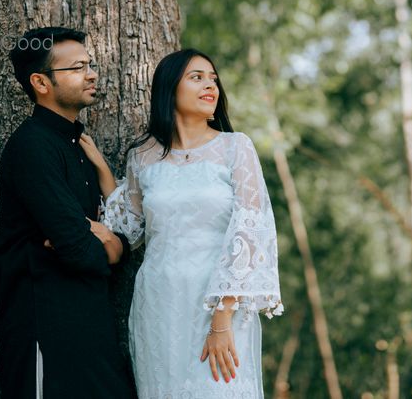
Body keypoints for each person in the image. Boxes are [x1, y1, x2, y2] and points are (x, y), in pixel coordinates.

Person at [92, 48, 283, 398]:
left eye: (213, 79)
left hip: (219, 303)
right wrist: (103, 170)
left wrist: (222, 320)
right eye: (197, 77)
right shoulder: (142, 155)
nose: (210, 85)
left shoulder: (235, 147)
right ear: (169, 88)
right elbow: (129, 227)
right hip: (160, 302)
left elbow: (250, 230)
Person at [0, 27, 135, 399]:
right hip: (46, 330)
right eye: (77, 68)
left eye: (91, 64)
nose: (92, 74)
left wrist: (109, 242)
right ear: (41, 82)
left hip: (91, 327)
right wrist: (112, 248)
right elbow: (76, 246)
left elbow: (86, 239)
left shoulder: (78, 146)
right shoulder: (32, 147)